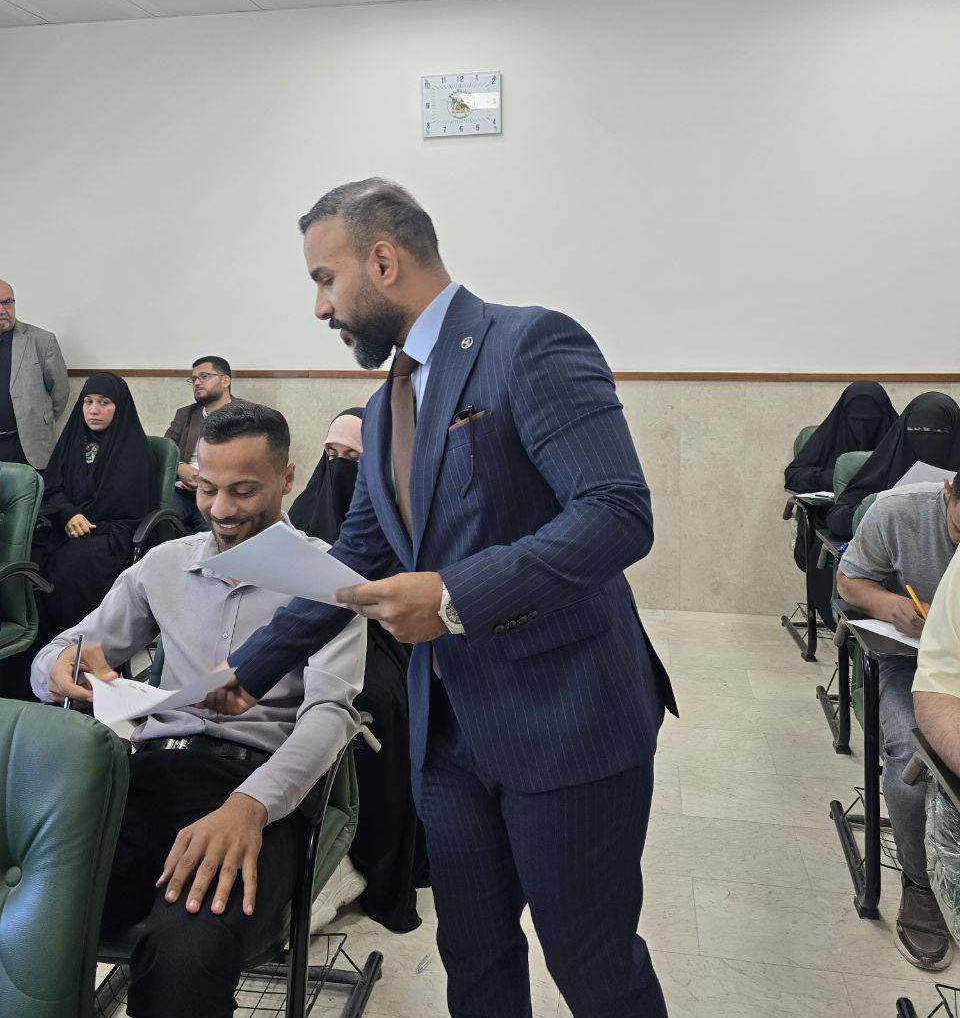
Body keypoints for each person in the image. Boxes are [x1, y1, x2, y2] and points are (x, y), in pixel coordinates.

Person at [202, 178, 676, 1018]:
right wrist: (251, 668)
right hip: (448, 735)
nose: (320, 307)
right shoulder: (384, 406)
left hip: (565, 720)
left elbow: (615, 513)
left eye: (325, 279)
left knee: (593, 963)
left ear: (383, 261)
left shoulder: (528, 343)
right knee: (474, 957)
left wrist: (455, 594)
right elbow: (358, 557)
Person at [32, 402, 366, 1018]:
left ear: (287, 477)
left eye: (244, 490)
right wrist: (59, 669)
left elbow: (330, 714)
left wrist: (248, 808)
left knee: (184, 961)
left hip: (255, 787)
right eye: (207, 488)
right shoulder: (165, 565)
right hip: (147, 775)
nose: (221, 509)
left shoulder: (329, 577)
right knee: (36, 917)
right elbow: (64, 648)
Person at [290, 407, 428, 933]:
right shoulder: (304, 508)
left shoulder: (398, 516)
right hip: (309, 627)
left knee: (379, 701)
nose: (339, 466)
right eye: (331, 455)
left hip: (383, 635)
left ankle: (372, 853)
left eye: (353, 458)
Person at [837, 477, 960, 969]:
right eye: (958, 530)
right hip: (912, 658)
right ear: (948, 492)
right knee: (911, 754)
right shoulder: (898, 512)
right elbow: (848, 581)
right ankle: (920, 884)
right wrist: (894, 608)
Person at [34, 372, 151, 641]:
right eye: (88, 402)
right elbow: (51, 488)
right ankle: (31, 650)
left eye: (104, 402)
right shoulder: (72, 440)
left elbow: (120, 503)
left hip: (112, 531)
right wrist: (69, 513)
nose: (93, 410)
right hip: (66, 524)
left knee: (72, 569)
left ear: (119, 407)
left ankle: (78, 647)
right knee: (29, 560)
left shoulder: (132, 448)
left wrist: (77, 516)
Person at [827, 392, 960, 538]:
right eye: (917, 429)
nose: (926, 438)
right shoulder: (885, 467)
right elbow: (836, 518)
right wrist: (883, 510)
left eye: (937, 431)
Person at [164, 356, 249, 531]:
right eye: (193, 379)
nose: (196, 383)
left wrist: (209, 481)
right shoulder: (185, 414)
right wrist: (180, 467)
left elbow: (249, 460)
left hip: (221, 493)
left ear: (225, 381)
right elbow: (167, 449)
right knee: (159, 518)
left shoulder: (246, 414)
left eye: (204, 377)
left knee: (209, 532)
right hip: (183, 491)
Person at [0, 278, 69, 468]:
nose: (2, 310)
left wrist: (38, 423)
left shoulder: (42, 341)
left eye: (7, 302)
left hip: (28, 448)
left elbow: (60, 393)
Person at [784, 380, 897, 494]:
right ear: (843, 413)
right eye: (855, 417)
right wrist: (837, 478)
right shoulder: (829, 435)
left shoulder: (898, 438)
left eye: (871, 416)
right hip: (831, 504)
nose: (862, 428)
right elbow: (793, 476)